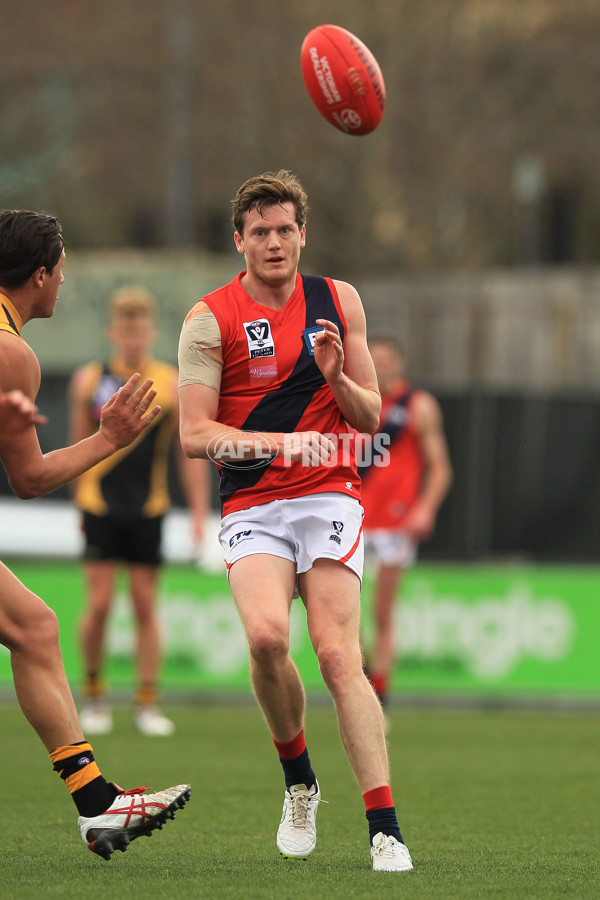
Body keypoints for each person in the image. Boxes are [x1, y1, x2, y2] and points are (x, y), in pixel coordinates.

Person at [178, 170, 413, 873]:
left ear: (302, 234)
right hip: (252, 500)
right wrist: (278, 444)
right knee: (266, 640)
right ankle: (299, 782)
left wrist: (337, 376)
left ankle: (385, 827)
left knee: (341, 655)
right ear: (239, 241)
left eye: (285, 230)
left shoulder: (338, 300)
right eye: (260, 233)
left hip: (329, 493)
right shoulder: (207, 318)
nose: (274, 243)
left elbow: (371, 417)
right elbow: (194, 433)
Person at [0, 209, 191, 858]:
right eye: (60, 271)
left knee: (34, 627)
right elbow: (29, 477)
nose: (63, 283)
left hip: (146, 514)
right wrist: (109, 438)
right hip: (105, 511)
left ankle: (96, 803)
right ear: (39, 275)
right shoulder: (11, 354)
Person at [69, 286, 208, 738]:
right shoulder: (89, 380)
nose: (132, 335)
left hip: (149, 507)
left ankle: (147, 701)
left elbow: (188, 452)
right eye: (124, 327)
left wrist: (202, 513)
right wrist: (78, 502)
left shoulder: (169, 382)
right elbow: (75, 448)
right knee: (101, 602)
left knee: (146, 605)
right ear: (113, 331)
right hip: (99, 505)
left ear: (150, 331)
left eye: (140, 327)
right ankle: (94, 695)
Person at [360, 337, 453, 707]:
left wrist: (424, 508)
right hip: (353, 516)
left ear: (398, 363)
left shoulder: (418, 405)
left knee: (382, 611)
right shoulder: (352, 397)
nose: (380, 365)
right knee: (346, 614)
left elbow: (440, 468)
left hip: (396, 521)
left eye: (386, 359)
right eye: (374, 359)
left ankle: (380, 693)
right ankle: (361, 682)